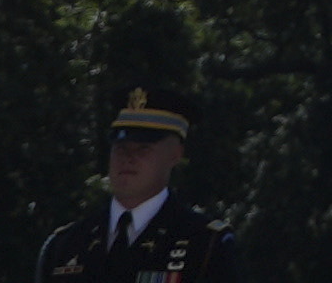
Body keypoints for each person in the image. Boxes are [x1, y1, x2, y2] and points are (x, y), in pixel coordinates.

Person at [42, 84, 242, 280]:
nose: (128, 158)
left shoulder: (205, 244)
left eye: (143, 149)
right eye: (121, 147)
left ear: (175, 154)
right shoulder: (65, 245)